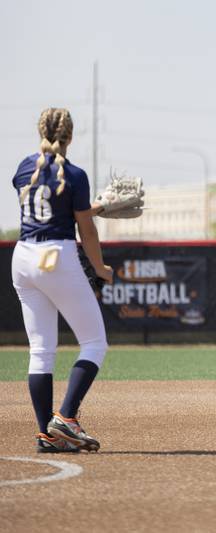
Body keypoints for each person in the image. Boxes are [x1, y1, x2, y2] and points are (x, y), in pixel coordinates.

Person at [11, 108, 112, 453]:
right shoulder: (75, 174)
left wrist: (93, 206)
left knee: (41, 351)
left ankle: (47, 435)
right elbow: (84, 229)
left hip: (23, 257)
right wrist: (100, 269)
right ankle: (66, 417)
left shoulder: (24, 168)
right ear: (70, 136)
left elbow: (51, 206)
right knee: (95, 343)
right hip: (56, 256)